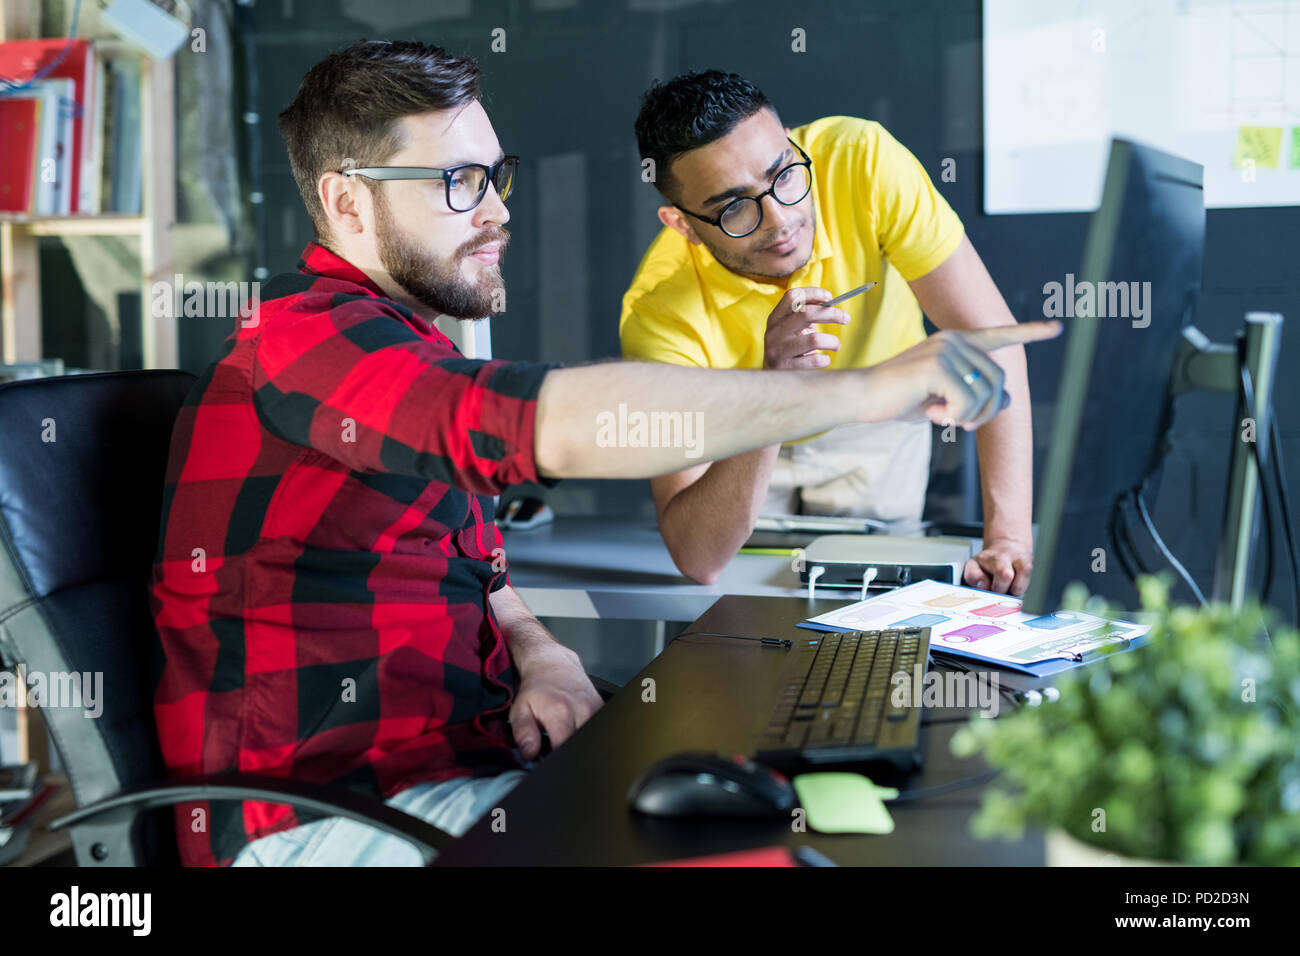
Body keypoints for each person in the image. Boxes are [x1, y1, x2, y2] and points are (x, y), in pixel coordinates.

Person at [149, 40, 1058, 866]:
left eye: (497, 176)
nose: (498, 211)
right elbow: (548, 424)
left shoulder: (405, 350)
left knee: (786, 834)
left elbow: (481, 574)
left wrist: (540, 653)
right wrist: (855, 389)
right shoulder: (304, 341)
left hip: (469, 774)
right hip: (326, 818)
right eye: (459, 183)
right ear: (349, 201)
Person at [621, 71, 1035, 594]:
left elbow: (993, 343)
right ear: (681, 224)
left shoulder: (864, 161)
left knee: (885, 616)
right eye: (733, 207)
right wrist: (774, 390)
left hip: (872, 422)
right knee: (743, 619)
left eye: (784, 173)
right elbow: (699, 557)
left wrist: (1010, 537)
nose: (780, 218)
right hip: (741, 436)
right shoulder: (658, 313)